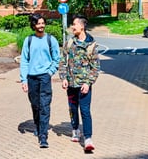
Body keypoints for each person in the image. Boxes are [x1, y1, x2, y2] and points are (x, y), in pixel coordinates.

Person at [59, 15, 100, 152]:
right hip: (71, 84)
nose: (72, 26)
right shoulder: (69, 43)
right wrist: (63, 77)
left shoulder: (91, 45)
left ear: (82, 26)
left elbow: (95, 68)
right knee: (72, 109)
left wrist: (88, 83)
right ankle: (75, 129)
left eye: (74, 24)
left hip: (84, 85)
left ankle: (88, 138)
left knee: (85, 110)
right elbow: (63, 61)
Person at [19, 13, 61, 148]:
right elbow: (24, 60)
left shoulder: (51, 40)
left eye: (43, 23)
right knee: (35, 105)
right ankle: (37, 126)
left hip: (44, 77)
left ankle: (43, 136)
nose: (41, 26)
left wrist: (50, 72)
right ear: (33, 25)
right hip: (31, 78)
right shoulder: (28, 40)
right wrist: (23, 80)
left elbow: (57, 59)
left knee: (44, 105)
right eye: (38, 23)